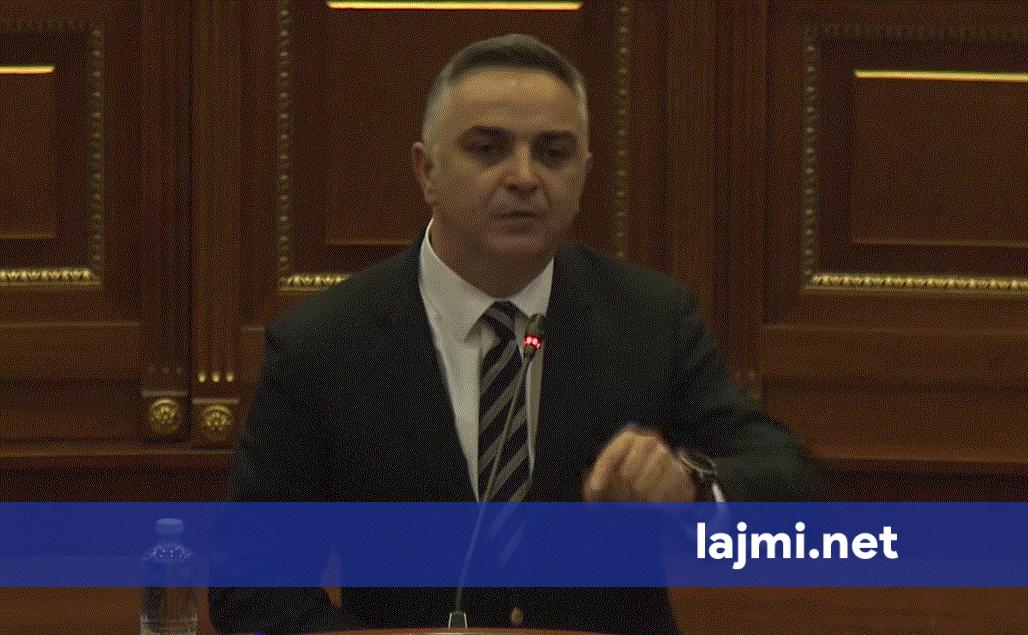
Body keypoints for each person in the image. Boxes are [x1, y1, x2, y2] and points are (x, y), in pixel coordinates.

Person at [210, 34, 822, 634]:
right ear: (426, 171)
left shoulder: (648, 318)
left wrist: (692, 485)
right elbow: (251, 584)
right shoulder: (325, 343)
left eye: (553, 153)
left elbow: (789, 481)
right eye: (487, 149)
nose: (524, 177)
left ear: (583, 176)